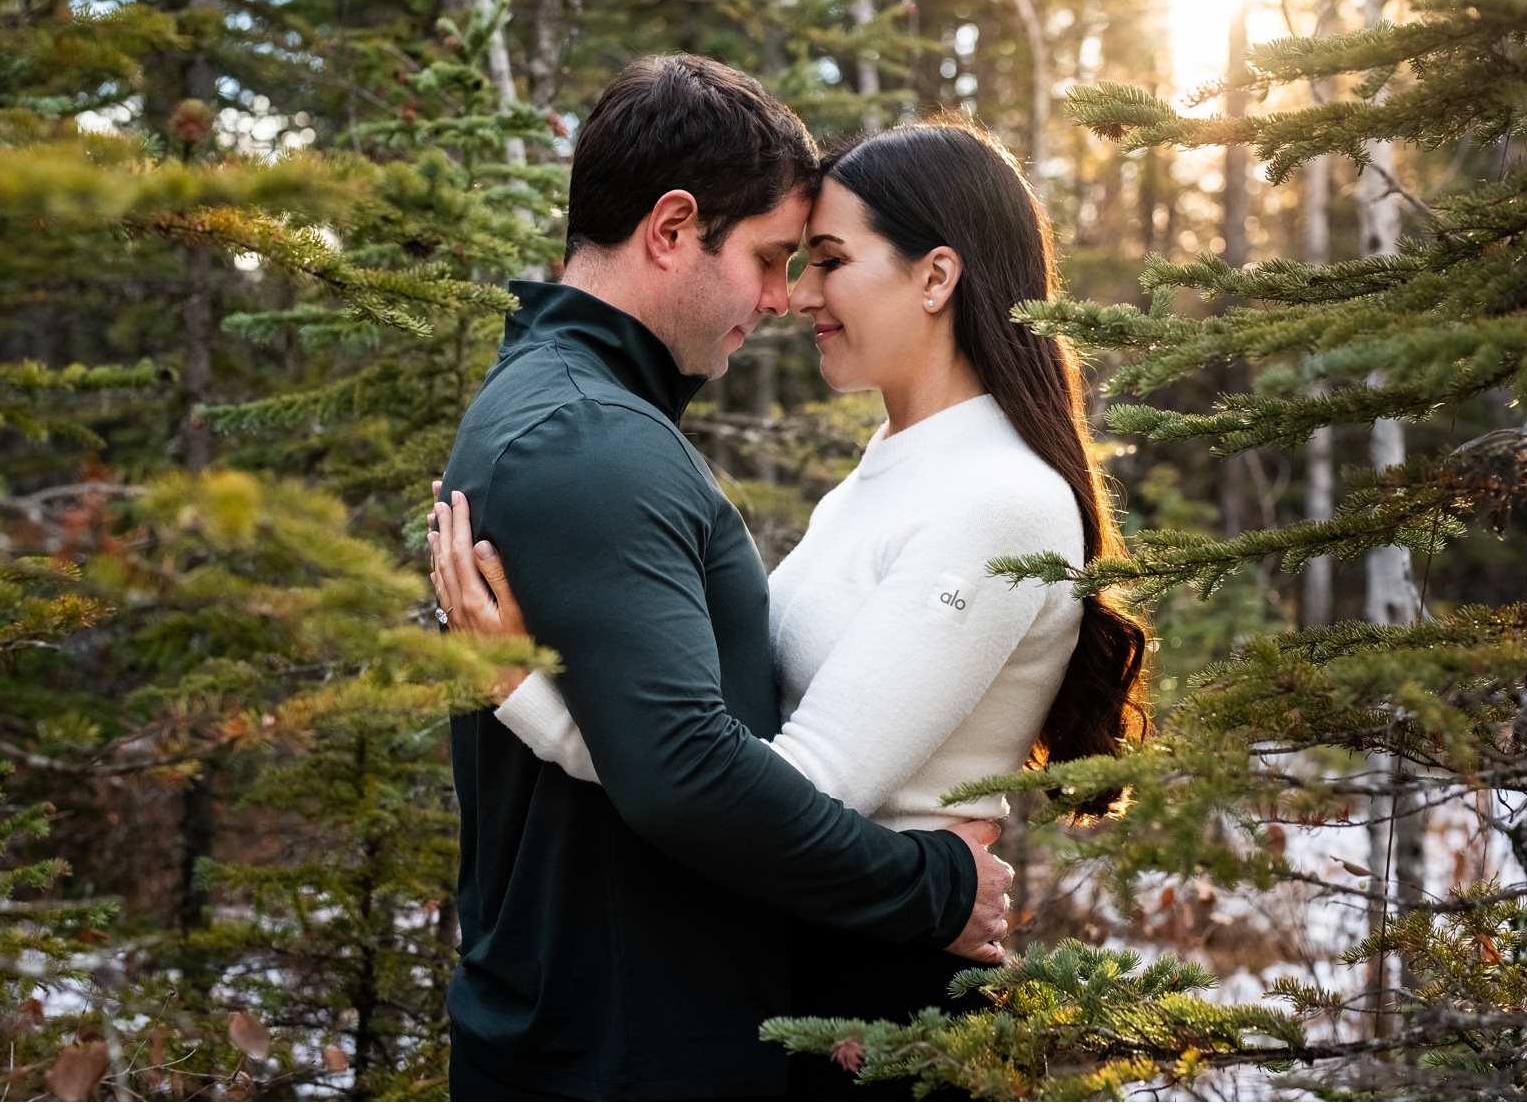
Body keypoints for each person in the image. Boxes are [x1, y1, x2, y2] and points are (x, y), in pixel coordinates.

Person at [433, 117, 1151, 1100]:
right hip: (813, 958)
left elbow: (795, 781)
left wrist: (532, 699)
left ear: (936, 277)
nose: (798, 295)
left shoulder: (999, 494)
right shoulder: (886, 470)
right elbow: (742, 720)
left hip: (884, 997)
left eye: (827, 260)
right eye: (789, 260)